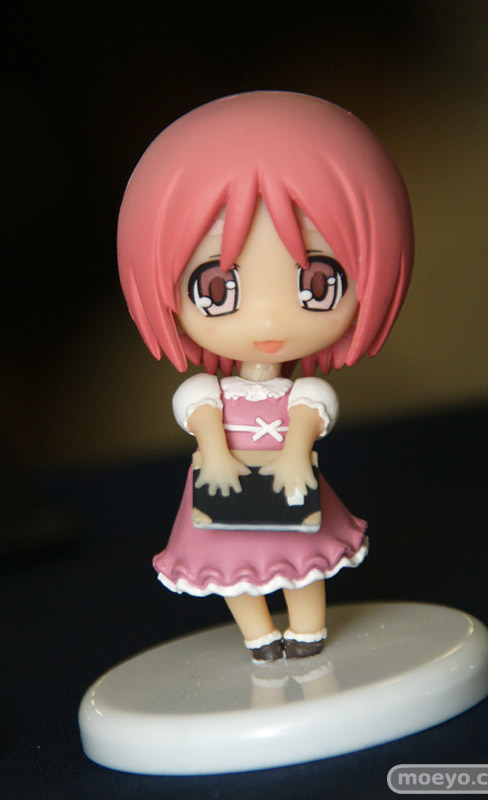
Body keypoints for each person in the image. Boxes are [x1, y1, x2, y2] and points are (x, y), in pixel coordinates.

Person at [117, 91, 413, 661]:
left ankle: (307, 631)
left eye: (318, 283)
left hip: (289, 483)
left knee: (303, 561)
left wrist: (296, 456)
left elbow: (306, 423)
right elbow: (204, 422)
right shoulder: (206, 392)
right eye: (216, 288)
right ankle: (259, 637)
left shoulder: (306, 394)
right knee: (232, 571)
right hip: (224, 488)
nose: (271, 321)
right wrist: (217, 456)